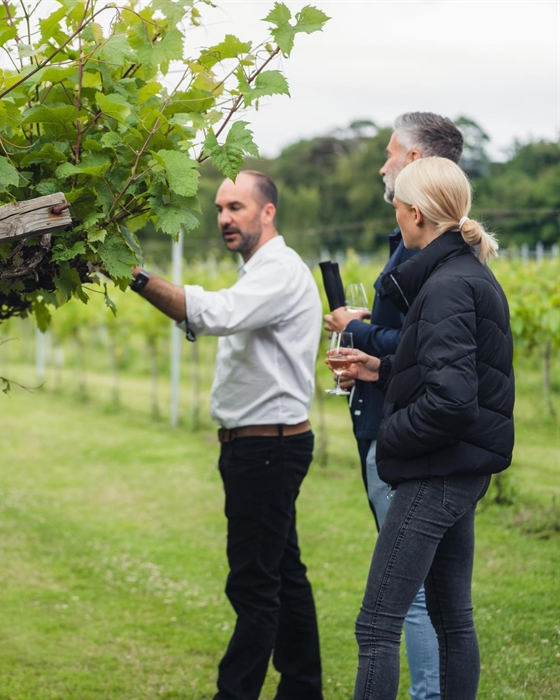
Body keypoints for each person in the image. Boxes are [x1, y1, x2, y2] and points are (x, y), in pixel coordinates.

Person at [129, 171, 323, 700]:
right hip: (261, 446)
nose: (223, 219)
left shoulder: (278, 270)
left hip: (267, 449)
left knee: (254, 584)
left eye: (236, 207)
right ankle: (303, 689)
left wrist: (137, 277)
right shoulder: (259, 271)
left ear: (268, 212)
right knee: (283, 575)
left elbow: (215, 314)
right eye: (219, 209)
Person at [340, 156, 514, 700]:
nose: (395, 213)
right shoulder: (467, 274)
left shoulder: (445, 287)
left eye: (397, 205)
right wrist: (381, 369)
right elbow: (452, 371)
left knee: (376, 626)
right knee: (452, 620)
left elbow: (451, 401)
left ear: (415, 213)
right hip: (460, 469)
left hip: (435, 473)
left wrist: (389, 436)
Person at [324, 112, 464, 700]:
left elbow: (423, 353)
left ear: (414, 162)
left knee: (398, 605)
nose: (382, 165)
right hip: (405, 428)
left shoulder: (435, 263)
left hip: (405, 437)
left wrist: (357, 333)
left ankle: (428, 693)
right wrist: (371, 356)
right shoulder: (442, 256)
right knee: (443, 603)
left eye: (389, 153)